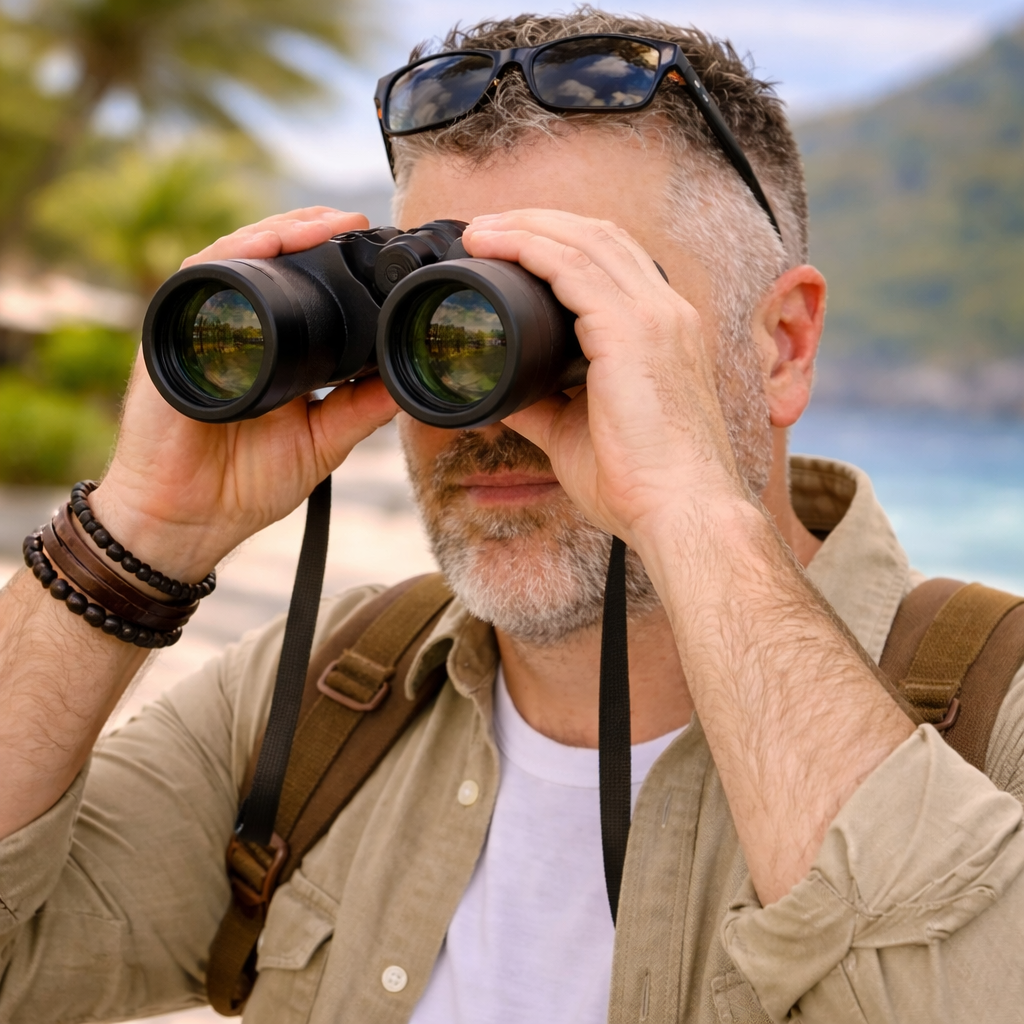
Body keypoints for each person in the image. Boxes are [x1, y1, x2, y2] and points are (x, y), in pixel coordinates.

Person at [2, 10, 1023, 1024]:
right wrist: (138, 535)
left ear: (784, 347)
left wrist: (688, 512)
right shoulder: (316, 697)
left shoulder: (995, 720)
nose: (486, 402)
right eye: (439, 320)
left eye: (567, 316)